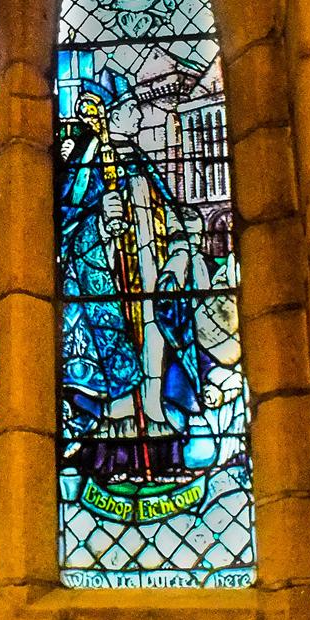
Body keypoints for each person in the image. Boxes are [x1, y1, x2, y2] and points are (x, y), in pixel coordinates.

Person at [58, 68, 206, 482]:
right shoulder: (87, 169)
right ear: (107, 115)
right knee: (122, 379)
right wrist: (101, 222)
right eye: (129, 109)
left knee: (154, 370)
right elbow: (67, 225)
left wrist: (177, 257)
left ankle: (160, 448)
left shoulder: (140, 167)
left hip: (152, 284)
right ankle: (117, 457)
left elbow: (173, 221)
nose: (138, 117)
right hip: (111, 287)